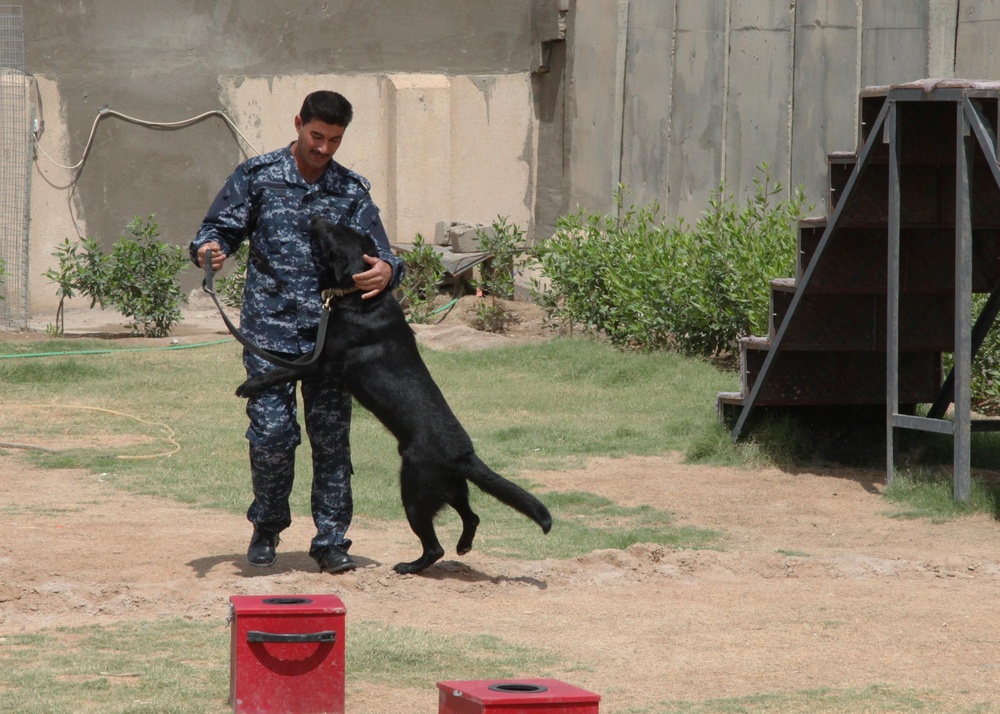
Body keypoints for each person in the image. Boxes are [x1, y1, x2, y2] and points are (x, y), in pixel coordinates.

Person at [189, 90, 405, 574]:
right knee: (272, 434)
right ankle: (267, 526)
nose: (324, 148)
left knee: (331, 440)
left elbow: (383, 252)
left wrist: (388, 270)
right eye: (316, 136)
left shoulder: (351, 189)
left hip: (332, 338)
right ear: (298, 124)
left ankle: (331, 541)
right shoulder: (259, 177)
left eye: (334, 139)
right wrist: (209, 250)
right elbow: (216, 231)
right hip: (269, 335)